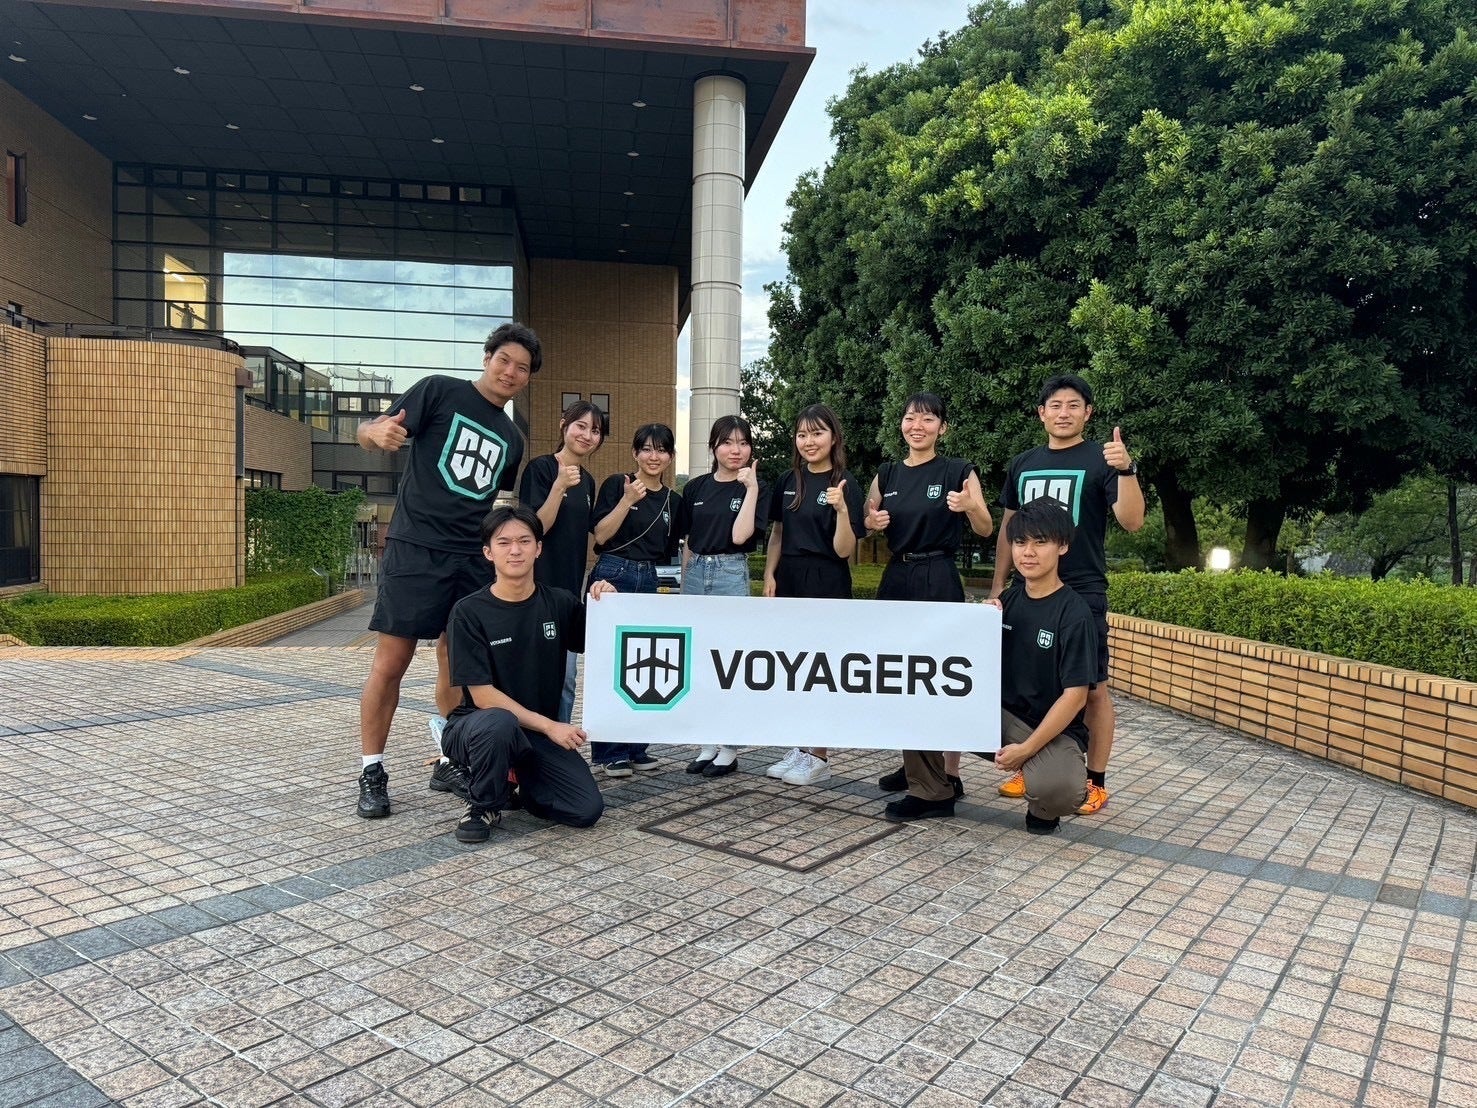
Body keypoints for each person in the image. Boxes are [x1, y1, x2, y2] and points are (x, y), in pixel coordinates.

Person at [353, 323, 537, 820]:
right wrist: (374, 433)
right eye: (504, 360)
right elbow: (369, 431)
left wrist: (511, 550)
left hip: (471, 559)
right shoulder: (439, 391)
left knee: (459, 663)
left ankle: (450, 759)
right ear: (487, 357)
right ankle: (372, 770)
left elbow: (499, 504)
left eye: (522, 368)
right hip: (416, 548)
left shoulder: (512, 438)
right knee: (392, 661)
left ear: (527, 378)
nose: (510, 372)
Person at [989, 373, 1145, 815]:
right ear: (1041, 413)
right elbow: (1009, 529)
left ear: (1088, 413)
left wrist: (1126, 469)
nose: (1063, 413)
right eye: (1054, 405)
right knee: (1029, 683)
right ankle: (1032, 762)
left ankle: (1095, 780)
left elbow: (1132, 521)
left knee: (1092, 690)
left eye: (1073, 405)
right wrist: (999, 583)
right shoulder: (1023, 463)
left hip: (1082, 589)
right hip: (1028, 592)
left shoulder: (1102, 459)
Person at [440, 505, 610, 842]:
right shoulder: (468, 612)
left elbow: (606, 641)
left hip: (533, 732)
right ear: (488, 552)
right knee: (499, 722)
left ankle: (525, 786)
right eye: (503, 543)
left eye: (524, 541)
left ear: (539, 548)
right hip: (478, 726)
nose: (515, 550)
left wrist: (607, 602)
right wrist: (551, 726)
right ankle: (483, 804)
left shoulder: (560, 603)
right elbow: (483, 697)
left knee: (585, 809)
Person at [863, 393, 994, 821]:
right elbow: (868, 519)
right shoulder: (887, 473)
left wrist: (970, 507)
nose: (917, 425)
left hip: (937, 575)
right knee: (898, 674)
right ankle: (918, 766)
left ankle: (935, 788)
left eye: (928, 418)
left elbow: (986, 527)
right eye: (910, 418)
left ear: (942, 427)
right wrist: (871, 523)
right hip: (897, 575)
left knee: (932, 676)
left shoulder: (958, 470)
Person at [972, 498, 1096, 834]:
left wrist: (1026, 750)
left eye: (1040, 542)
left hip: (1050, 728)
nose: (1028, 552)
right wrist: (980, 623)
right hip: (1001, 718)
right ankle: (933, 790)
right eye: (1020, 542)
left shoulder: (1074, 614)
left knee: (1063, 790)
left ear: (1062, 546)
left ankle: (1042, 807)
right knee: (926, 709)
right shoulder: (1007, 602)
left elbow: (1075, 697)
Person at [762, 404, 866, 786]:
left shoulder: (845, 483)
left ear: (833, 438)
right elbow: (777, 533)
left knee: (821, 668)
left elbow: (844, 549)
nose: (809, 441)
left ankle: (818, 754)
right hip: (789, 577)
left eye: (817, 433)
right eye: (802, 434)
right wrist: (769, 575)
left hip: (827, 579)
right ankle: (799, 746)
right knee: (793, 666)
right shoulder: (788, 480)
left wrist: (841, 510)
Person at [587, 422, 687, 777]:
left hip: (651, 579)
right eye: (646, 448)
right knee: (610, 665)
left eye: (661, 450)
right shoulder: (618, 484)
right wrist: (627, 500)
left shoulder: (674, 501)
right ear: (635, 453)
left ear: (671, 456)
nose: (653, 456)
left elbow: (672, 551)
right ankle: (609, 752)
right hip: (613, 574)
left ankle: (636, 747)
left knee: (645, 661)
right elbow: (600, 536)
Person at [679, 415, 766, 777]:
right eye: (727, 442)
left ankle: (729, 749)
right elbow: (688, 540)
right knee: (698, 662)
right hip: (697, 572)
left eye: (743, 443)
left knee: (729, 663)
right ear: (713, 446)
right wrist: (685, 583)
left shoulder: (756, 487)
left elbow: (741, 536)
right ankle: (707, 744)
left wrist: (751, 489)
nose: (736, 450)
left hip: (731, 572)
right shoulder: (695, 488)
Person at [517, 400, 607, 724]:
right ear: (563, 425)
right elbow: (534, 529)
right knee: (532, 677)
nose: (587, 435)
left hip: (569, 594)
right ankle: (527, 745)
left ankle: (560, 745)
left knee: (566, 681)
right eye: (580, 426)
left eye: (595, 430)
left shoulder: (589, 481)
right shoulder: (540, 469)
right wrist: (558, 486)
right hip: (535, 590)